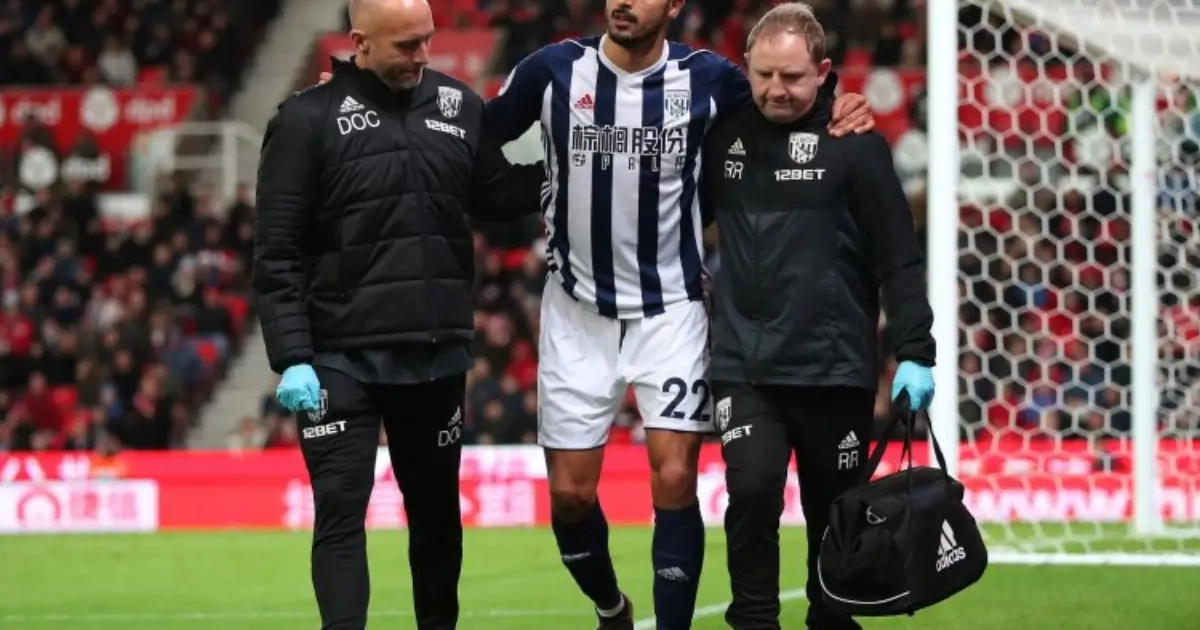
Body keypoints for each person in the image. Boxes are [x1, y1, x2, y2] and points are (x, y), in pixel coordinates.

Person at [477, 1, 873, 627]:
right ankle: (611, 606)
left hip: (671, 310)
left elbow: (786, 100)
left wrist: (839, 103)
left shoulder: (710, 79)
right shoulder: (551, 71)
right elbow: (478, 136)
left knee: (674, 479)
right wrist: (532, 186)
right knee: (571, 495)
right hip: (576, 313)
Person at [253, 0, 544, 628]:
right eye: (407, 45)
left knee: (436, 515)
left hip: (434, 352)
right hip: (337, 357)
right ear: (360, 42)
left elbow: (499, 195)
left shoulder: (458, 105)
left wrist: (574, 164)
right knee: (340, 512)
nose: (423, 56)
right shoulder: (305, 119)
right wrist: (292, 356)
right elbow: (276, 251)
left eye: (427, 41)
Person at [699, 4, 936, 630]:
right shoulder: (722, 138)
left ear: (824, 72)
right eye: (764, 75)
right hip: (745, 366)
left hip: (833, 368)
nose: (776, 89)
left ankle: (831, 621)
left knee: (834, 513)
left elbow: (898, 256)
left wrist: (915, 350)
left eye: (792, 77)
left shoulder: (856, 146)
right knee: (752, 493)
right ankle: (753, 622)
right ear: (746, 68)